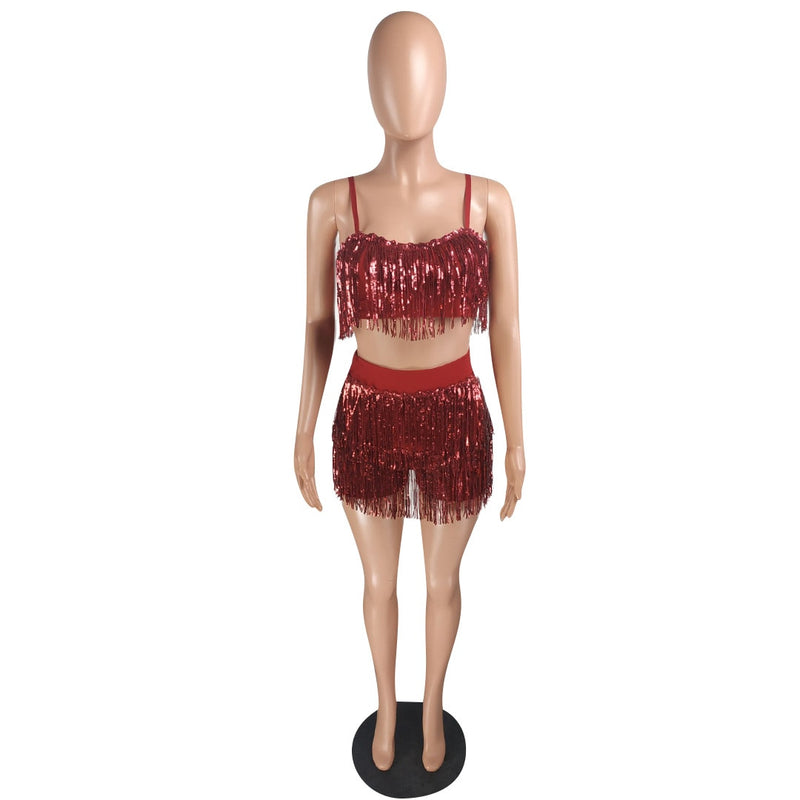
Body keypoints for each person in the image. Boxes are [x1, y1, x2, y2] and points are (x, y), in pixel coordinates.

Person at [294, 11, 525, 773]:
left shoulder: (487, 201)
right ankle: (386, 713)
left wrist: (519, 439)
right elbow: (318, 326)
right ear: (370, 87)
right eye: (391, 73)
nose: (407, 89)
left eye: (421, 71)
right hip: (365, 415)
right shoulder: (333, 202)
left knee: (442, 581)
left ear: (445, 82)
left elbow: (508, 329)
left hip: (458, 417)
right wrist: (302, 427)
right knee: (376, 581)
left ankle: (432, 711)